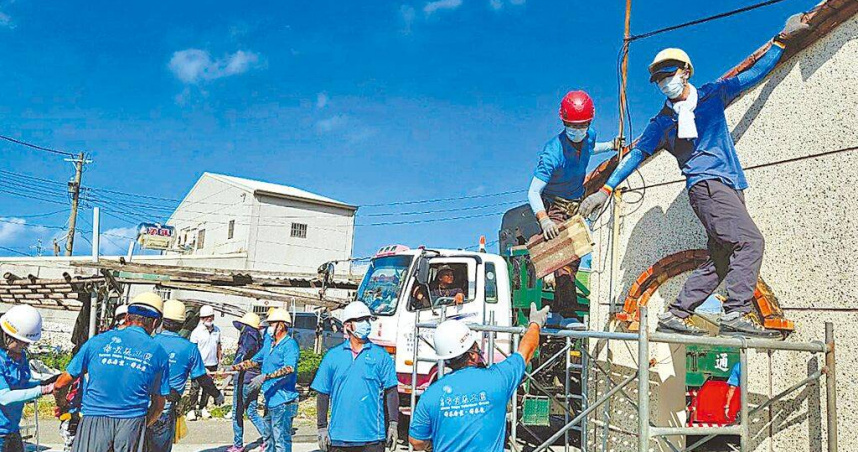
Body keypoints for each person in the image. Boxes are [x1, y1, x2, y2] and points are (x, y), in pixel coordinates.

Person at [579, 14, 810, 338]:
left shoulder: (712, 95)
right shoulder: (662, 122)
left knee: (722, 258)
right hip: (707, 186)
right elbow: (636, 156)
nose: (665, 83)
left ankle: (676, 314)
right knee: (750, 242)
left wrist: (781, 40)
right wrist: (606, 190)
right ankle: (736, 313)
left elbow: (752, 76)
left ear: (685, 72)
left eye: (669, 75)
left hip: (729, 185)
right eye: (660, 80)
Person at [408, 303, 550, 452]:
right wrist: (535, 324)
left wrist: (432, 446)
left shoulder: (431, 395)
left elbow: (416, 441)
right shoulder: (498, 378)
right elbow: (526, 351)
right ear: (472, 354)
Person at [528, 91, 619, 314]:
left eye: (583, 125)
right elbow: (533, 192)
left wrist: (611, 145)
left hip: (576, 204)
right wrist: (545, 220)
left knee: (576, 255)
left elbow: (590, 149)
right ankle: (567, 313)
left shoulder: (589, 136)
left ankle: (561, 310)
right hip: (555, 207)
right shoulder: (552, 153)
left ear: (589, 122)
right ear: (564, 122)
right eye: (572, 125)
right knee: (563, 257)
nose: (578, 130)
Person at [53, 292, 171, 452]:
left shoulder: (97, 342)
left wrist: (63, 405)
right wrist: (142, 425)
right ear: (156, 322)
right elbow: (159, 405)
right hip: (132, 424)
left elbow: (60, 384)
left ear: (127, 317)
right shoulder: (159, 352)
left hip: (93, 423)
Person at [311, 302, 398, 452]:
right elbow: (323, 394)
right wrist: (322, 427)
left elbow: (391, 391)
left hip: (372, 438)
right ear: (348, 325)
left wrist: (393, 424)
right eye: (360, 320)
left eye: (367, 320)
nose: (366, 324)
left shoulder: (381, 355)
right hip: (339, 437)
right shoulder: (333, 356)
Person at [148, 300, 224, 452]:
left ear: (161, 321)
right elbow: (202, 378)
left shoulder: (150, 342)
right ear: (182, 324)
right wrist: (217, 395)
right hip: (165, 404)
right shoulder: (189, 348)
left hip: (142, 401)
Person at [233, 308, 300, 452]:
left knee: (281, 440)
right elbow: (254, 361)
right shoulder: (269, 344)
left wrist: (266, 376)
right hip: (270, 399)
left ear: (281, 325)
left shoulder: (290, 345)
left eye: (271, 324)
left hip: (284, 400)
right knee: (269, 439)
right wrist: (233, 368)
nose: (269, 327)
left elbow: (289, 368)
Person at [0, 305, 55, 451]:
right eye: (22, 342)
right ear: (7, 335)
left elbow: (21, 386)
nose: (24, 346)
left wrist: (44, 383)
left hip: (12, 429)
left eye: (27, 343)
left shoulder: (20, 356)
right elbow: (4, 397)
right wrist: (42, 390)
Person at [228, 311, 270, 452]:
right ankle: (268, 439)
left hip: (244, 378)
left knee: (237, 412)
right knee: (251, 411)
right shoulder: (259, 338)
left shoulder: (247, 336)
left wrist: (232, 368)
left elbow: (242, 355)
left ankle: (238, 444)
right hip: (254, 377)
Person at [188, 304, 221, 420]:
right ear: (202, 318)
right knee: (195, 387)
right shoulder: (196, 332)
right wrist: (198, 365)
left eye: (211, 316)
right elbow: (193, 350)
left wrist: (219, 361)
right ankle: (192, 409)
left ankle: (203, 408)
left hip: (212, 364)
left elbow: (218, 346)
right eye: (206, 317)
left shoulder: (217, 330)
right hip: (198, 364)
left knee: (208, 388)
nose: (209, 319)